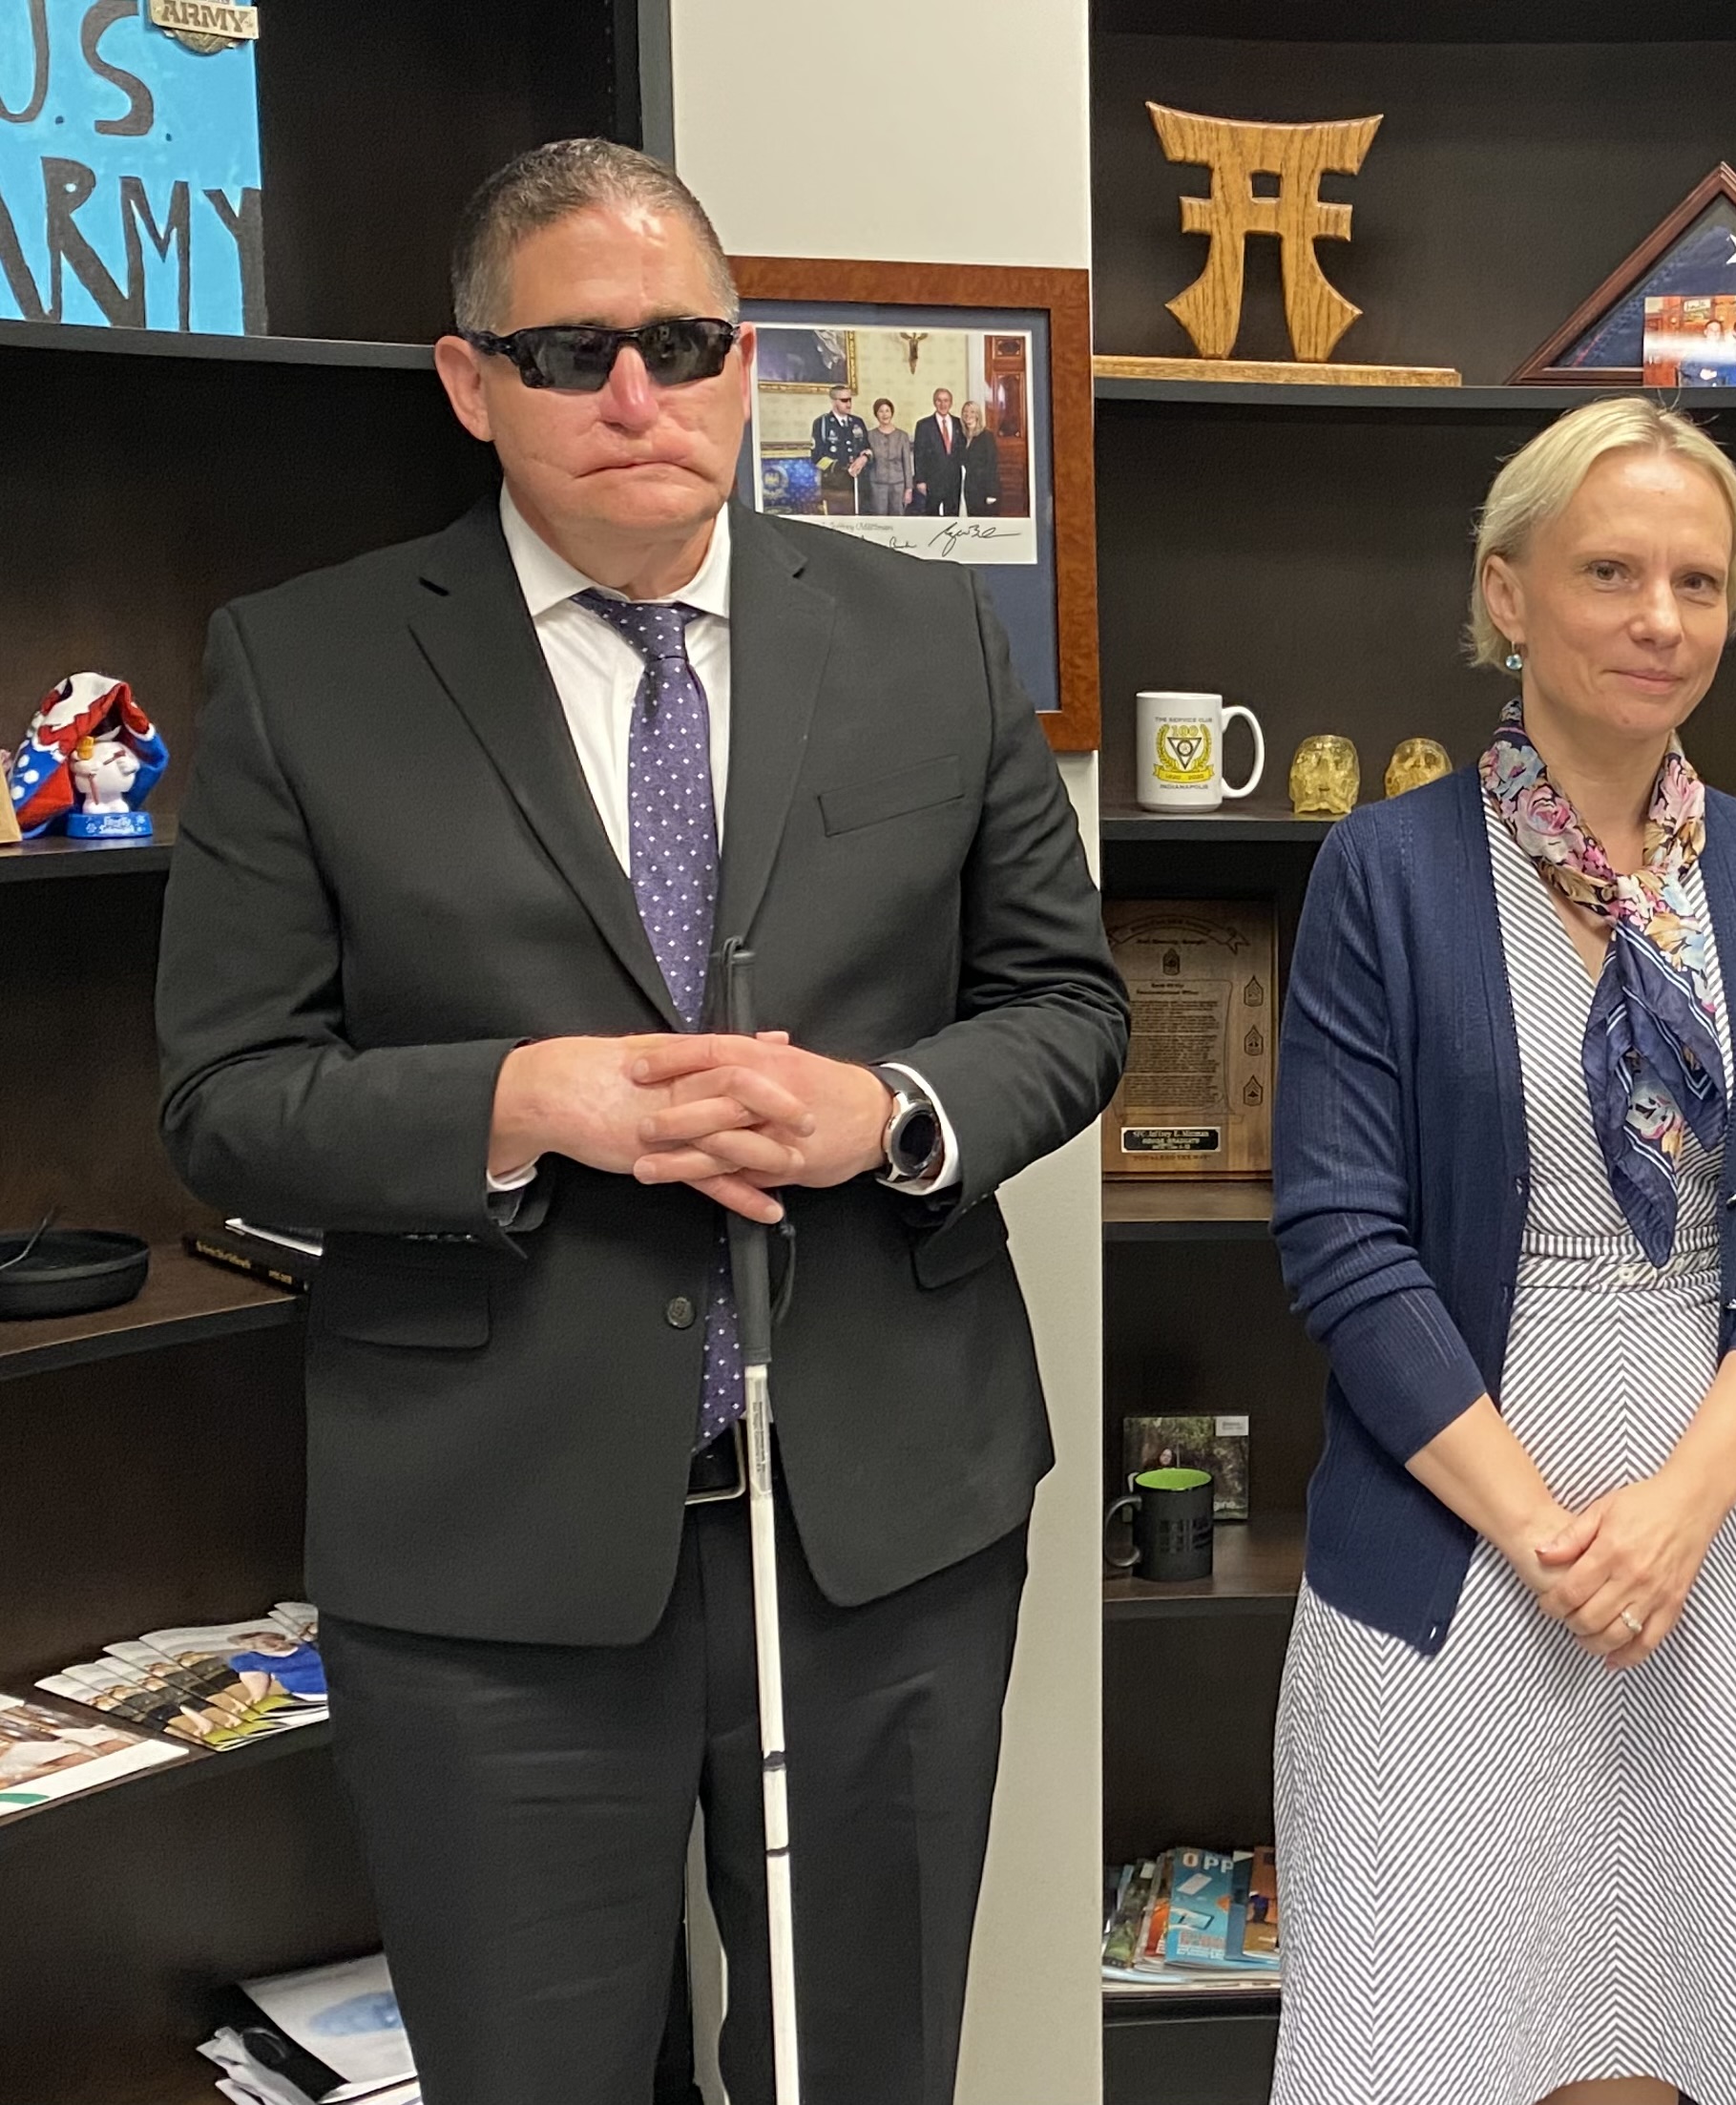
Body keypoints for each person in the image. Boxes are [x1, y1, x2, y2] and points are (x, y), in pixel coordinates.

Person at [154, 137, 1129, 2105]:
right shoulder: (306, 662)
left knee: (858, 2069)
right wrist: (518, 1100)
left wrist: (894, 1109)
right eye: (572, 350)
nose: (635, 396)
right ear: (465, 381)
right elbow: (225, 1101)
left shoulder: (923, 636)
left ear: (744, 362)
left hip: (884, 1527)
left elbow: (1067, 1005)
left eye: (682, 344)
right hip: (492, 1553)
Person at [1270, 395, 1736, 2105]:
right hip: (1458, 1530)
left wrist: (1676, 1511)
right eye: (1608, 571)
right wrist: (1544, 1531)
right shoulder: (1381, 874)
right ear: (1507, 590)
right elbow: (1339, 1238)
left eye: (1697, 580)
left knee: (1680, 2017)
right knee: (1440, 2026)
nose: (1657, 618)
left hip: (1714, 1519)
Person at [806, 383, 867, 514]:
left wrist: (864, 458)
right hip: (834, 485)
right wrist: (841, 467)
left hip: (857, 484)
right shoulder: (822, 423)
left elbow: (867, 448)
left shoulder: (857, 422)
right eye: (844, 400)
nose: (849, 404)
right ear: (834, 402)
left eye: (850, 399)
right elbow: (817, 457)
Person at [856, 395, 913, 515]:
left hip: (898, 485)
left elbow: (907, 464)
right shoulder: (870, 435)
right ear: (876, 414)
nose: (884, 414)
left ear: (892, 412)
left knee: (898, 519)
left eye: (887, 410)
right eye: (881, 411)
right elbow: (866, 459)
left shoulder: (902, 436)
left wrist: (908, 489)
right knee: (880, 520)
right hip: (877, 485)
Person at [913, 386, 967, 515]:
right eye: (939, 400)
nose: (943, 404)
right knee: (932, 517)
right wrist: (920, 480)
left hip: (953, 480)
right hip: (932, 480)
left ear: (951, 403)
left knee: (953, 516)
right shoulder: (923, 425)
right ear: (934, 402)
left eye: (946, 401)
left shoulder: (959, 423)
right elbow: (919, 454)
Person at [959, 400, 1001, 516]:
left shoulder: (986, 436)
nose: (968, 415)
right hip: (967, 488)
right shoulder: (961, 436)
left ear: (978, 415)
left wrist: (991, 493)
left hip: (983, 489)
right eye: (965, 412)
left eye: (972, 412)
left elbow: (992, 464)